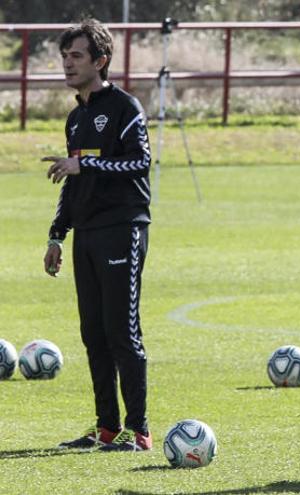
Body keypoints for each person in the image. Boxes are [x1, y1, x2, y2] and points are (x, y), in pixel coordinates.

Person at [44, 18, 153, 452]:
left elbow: (139, 164)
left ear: (100, 61)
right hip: (87, 234)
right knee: (93, 332)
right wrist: (57, 236)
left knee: (122, 331)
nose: (67, 64)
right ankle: (106, 427)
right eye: (64, 56)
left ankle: (139, 429)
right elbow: (73, 183)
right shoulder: (76, 118)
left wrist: (84, 165)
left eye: (76, 56)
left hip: (122, 229)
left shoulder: (126, 108)